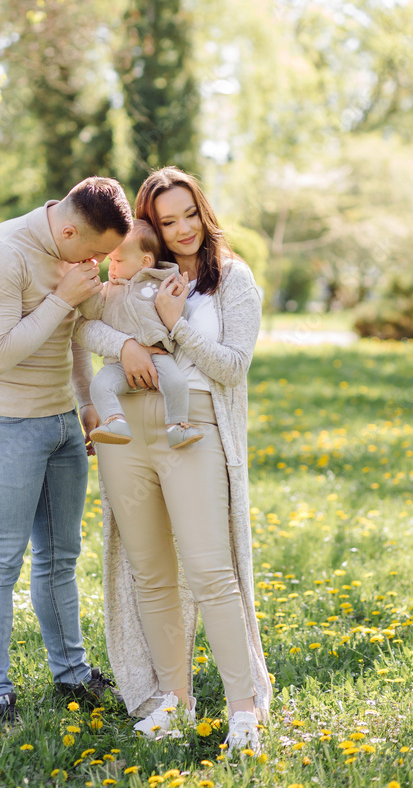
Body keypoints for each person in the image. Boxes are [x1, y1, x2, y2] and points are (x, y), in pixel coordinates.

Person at [74, 166, 272, 753]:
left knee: (211, 571)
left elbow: (233, 367)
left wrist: (175, 326)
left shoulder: (231, 279)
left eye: (190, 214)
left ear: (203, 212)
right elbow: (85, 325)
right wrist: (127, 345)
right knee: (151, 572)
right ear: (150, 228)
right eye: (168, 220)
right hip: (126, 432)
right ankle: (174, 700)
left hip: (193, 426)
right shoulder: (132, 271)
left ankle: (243, 711)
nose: (183, 229)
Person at [0, 176, 132, 726]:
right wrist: (62, 298)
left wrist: (86, 401)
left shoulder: (71, 254)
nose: (98, 264)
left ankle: (72, 674)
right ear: (69, 230)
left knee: (60, 558)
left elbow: (72, 335)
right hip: (3, 424)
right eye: (96, 252)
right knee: (0, 560)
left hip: (60, 424)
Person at [78, 219, 204, 450]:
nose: (111, 267)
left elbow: (179, 314)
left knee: (176, 383)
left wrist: (178, 299)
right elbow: (91, 313)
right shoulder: (108, 290)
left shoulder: (161, 284)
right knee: (100, 384)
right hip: (119, 363)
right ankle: (115, 421)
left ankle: (177, 426)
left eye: (118, 261)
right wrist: (90, 290)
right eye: (111, 260)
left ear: (145, 261)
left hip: (158, 356)